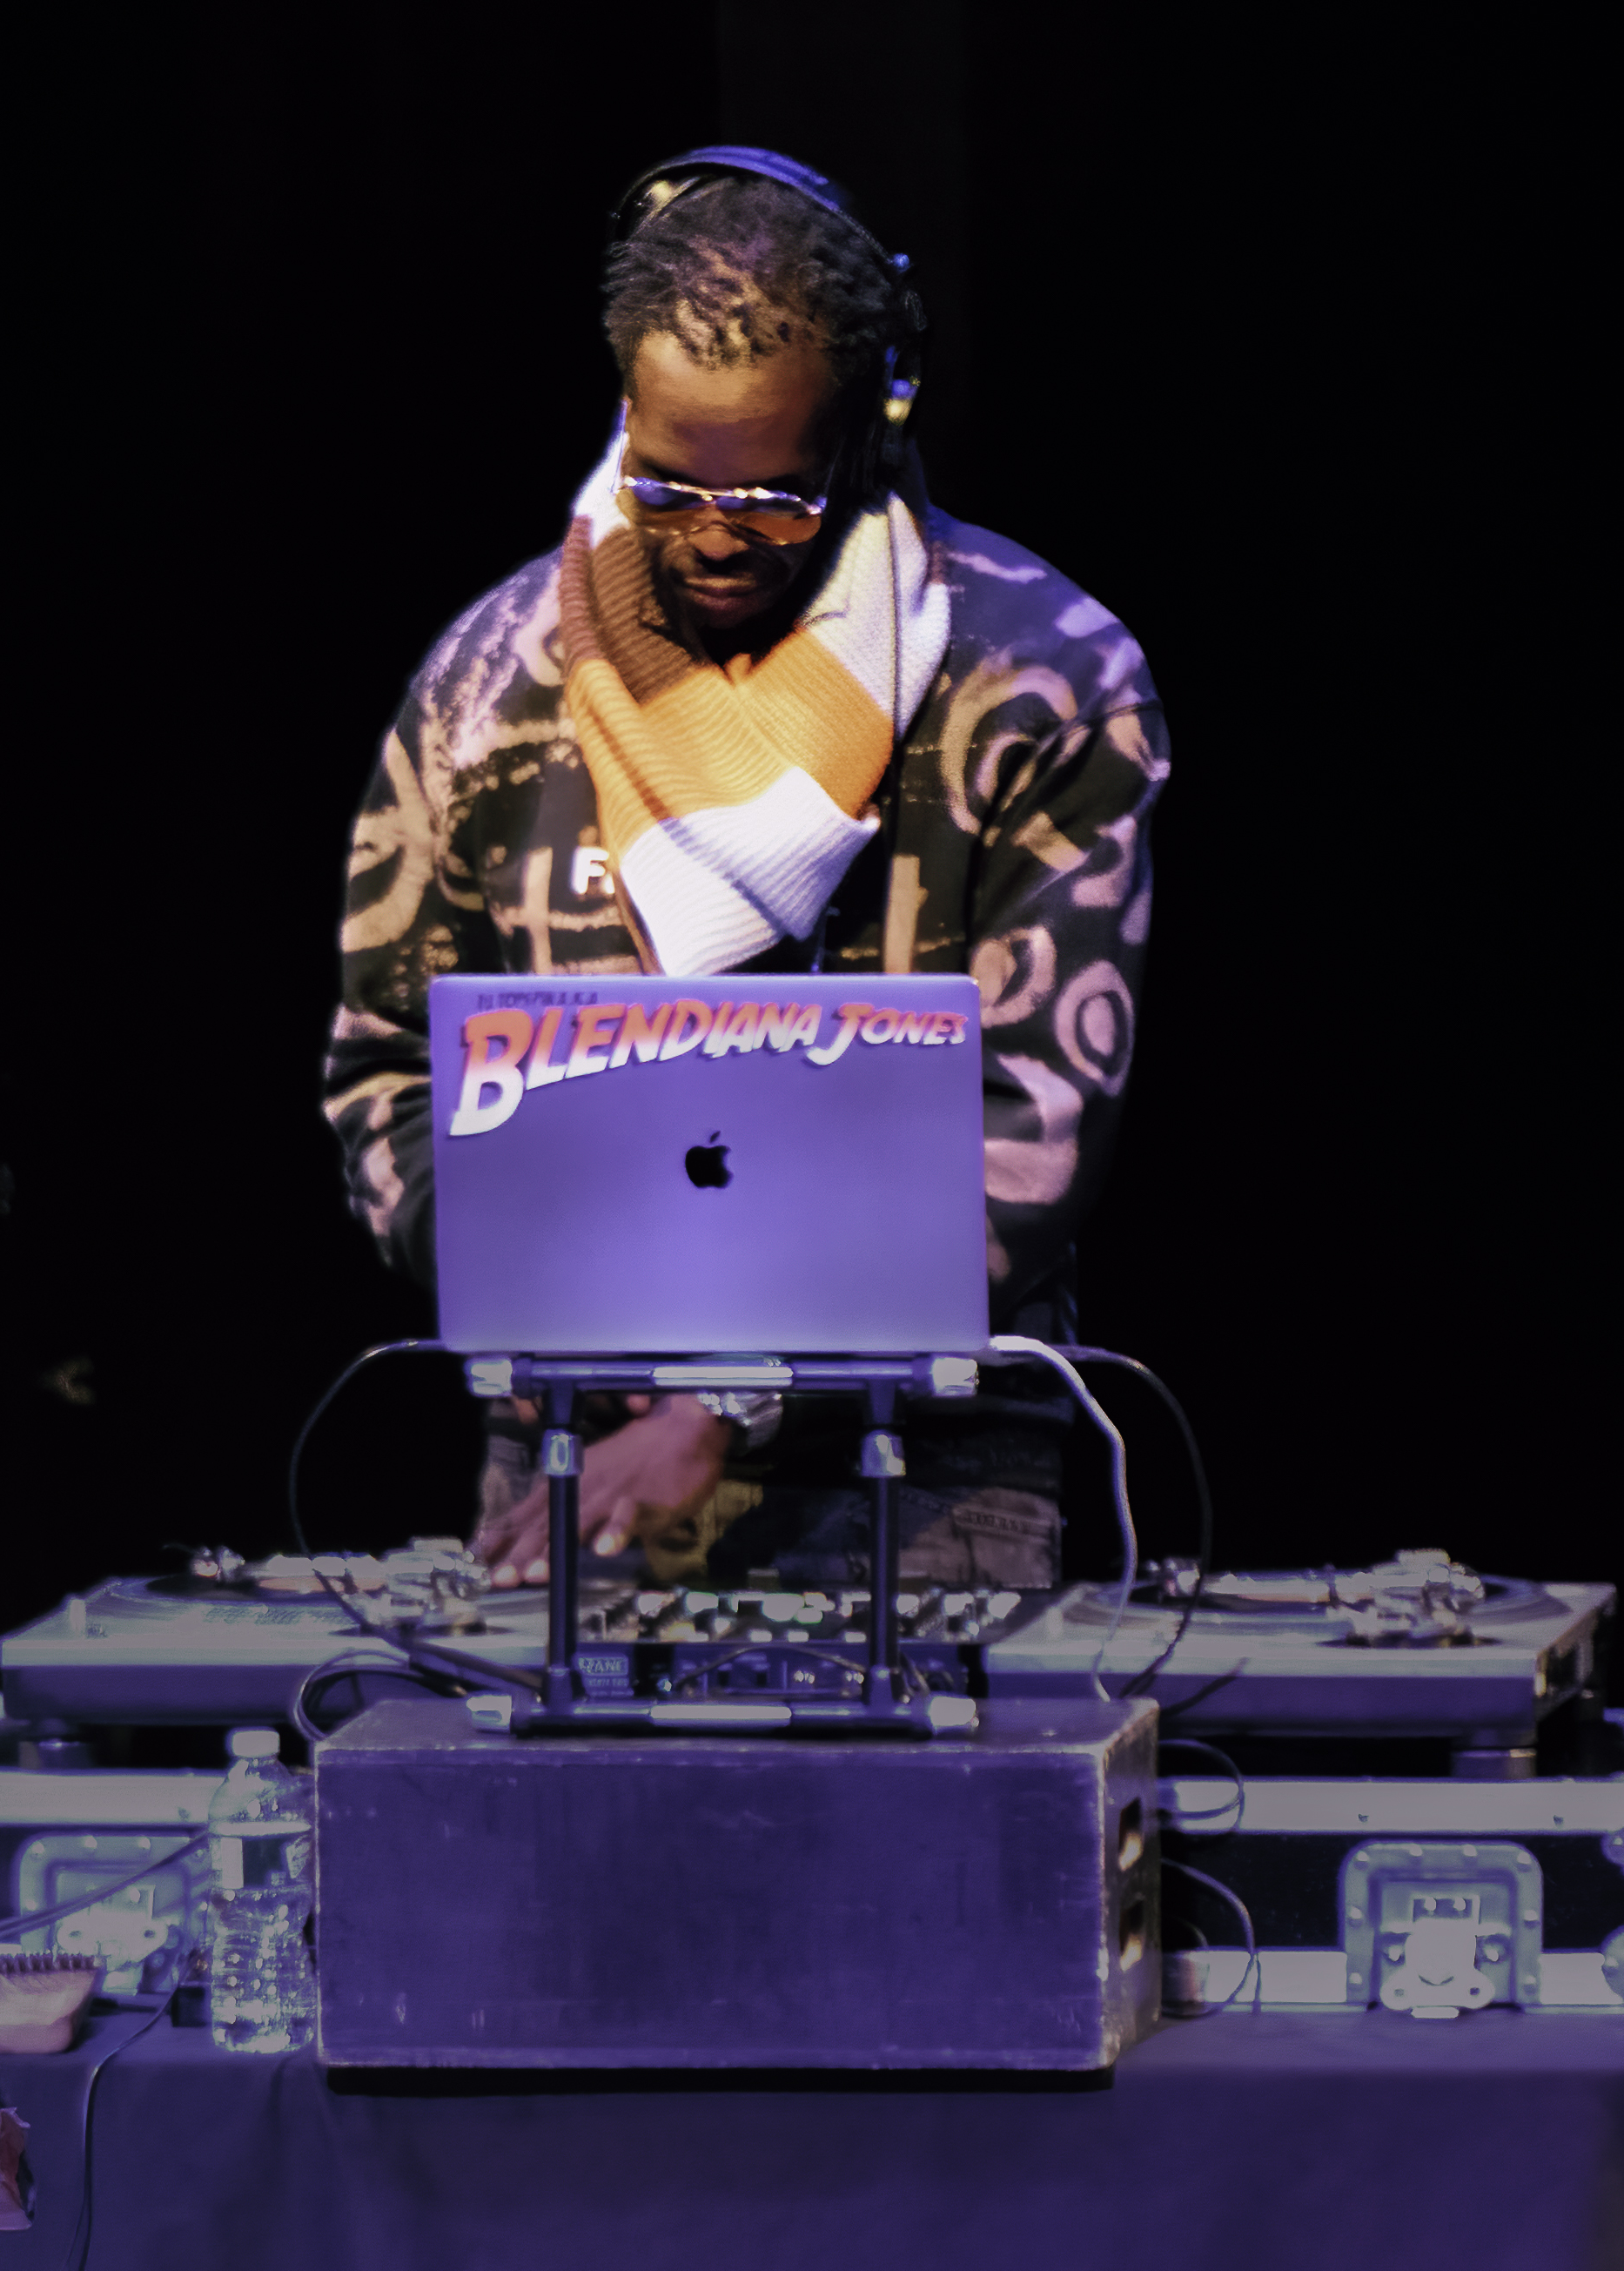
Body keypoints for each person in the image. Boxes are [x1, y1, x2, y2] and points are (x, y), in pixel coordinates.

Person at [323, 148, 1168, 1590]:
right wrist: (519, 1299)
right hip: (574, 1478)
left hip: (929, 1499)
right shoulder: (483, 685)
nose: (714, 535)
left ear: (869, 427)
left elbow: (1025, 1125)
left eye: (775, 497)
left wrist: (730, 1395)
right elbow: (385, 1065)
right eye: (663, 483)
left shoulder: (1043, 680)